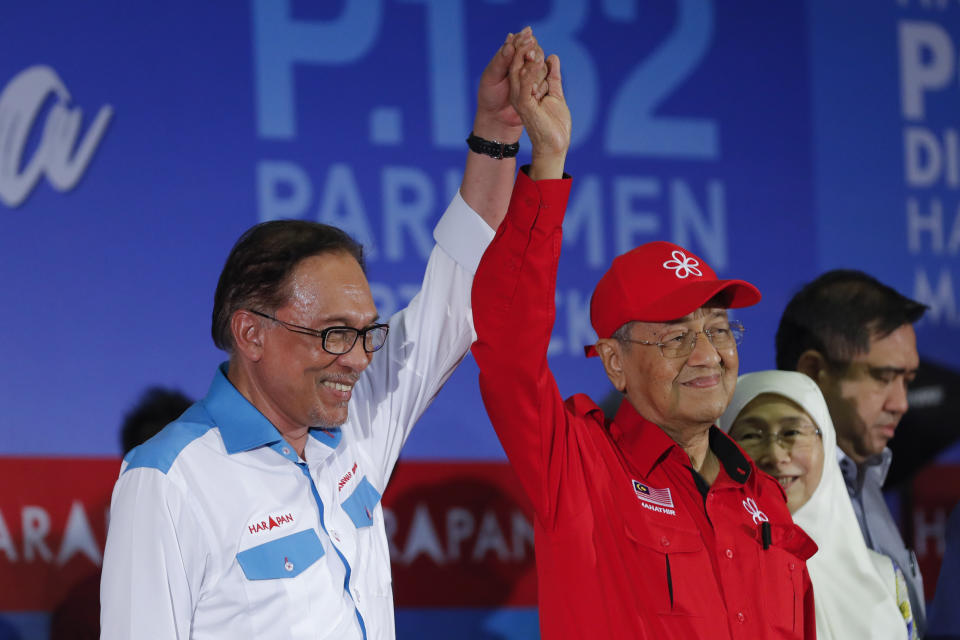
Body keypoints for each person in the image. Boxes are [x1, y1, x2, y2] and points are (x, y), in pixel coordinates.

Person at [100, 30, 547, 640]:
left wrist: (498, 133)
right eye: (335, 334)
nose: (360, 359)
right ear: (251, 332)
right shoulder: (168, 481)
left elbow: (457, 283)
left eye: (368, 334)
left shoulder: (353, 425)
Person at [471, 44, 816, 639]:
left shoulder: (760, 496)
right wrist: (548, 161)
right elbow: (507, 348)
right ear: (614, 362)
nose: (709, 355)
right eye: (678, 337)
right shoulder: (578, 469)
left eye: (716, 329)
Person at [776, 269, 928, 634]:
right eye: (883, 377)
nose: (901, 403)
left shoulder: (868, 477)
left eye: (907, 381)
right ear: (814, 371)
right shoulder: (763, 498)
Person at [720, 370, 916, 639]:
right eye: (751, 436)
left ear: (827, 442)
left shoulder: (885, 578)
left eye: (792, 432)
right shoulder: (710, 574)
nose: (776, 457)